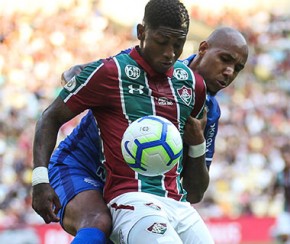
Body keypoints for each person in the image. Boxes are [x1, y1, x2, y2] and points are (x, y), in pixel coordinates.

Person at [32, 0, 215, 243]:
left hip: (174, 202)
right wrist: (39, 180)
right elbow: (50, 116)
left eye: (178, 45)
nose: (170, 53)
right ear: (141, 33)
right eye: (162, 42)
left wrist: (198, 145)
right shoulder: (111, 72)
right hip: (114, 187)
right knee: (97, 221)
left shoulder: (192, 86)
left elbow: (195, 190)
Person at [269, 143, 290, 243]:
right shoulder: (281, 174)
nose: (286, 159)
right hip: (286, 209)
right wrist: (272, 194)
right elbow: (274, 188)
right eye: (284, 157)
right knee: (283, 236)